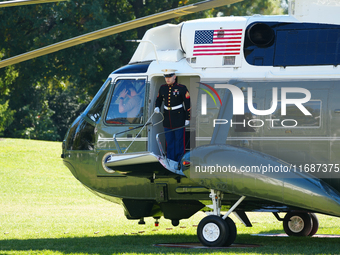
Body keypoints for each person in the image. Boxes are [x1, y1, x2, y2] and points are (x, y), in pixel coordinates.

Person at [154, 69, 191, 162]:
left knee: (179, 142)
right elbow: (158, 99)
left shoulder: (181, 88)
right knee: (169, 142)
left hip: (179, 118)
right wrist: (157, 106)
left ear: (174, 77)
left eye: (169, 77)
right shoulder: (163, 88)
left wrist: (187, 118)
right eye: (166, 77)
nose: (167, 79)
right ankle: (170, 161)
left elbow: (188, 104)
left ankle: (179, 162)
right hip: (167, 118)